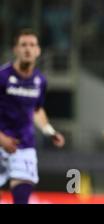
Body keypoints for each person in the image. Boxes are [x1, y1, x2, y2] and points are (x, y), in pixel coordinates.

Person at [0, 29, 65, 204]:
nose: (28, 49)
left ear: (38, 51)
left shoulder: (40, 81)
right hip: (0, 141)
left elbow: (36, 110)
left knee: (21, 199)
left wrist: (49, 131)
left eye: (32, 45)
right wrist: (2, 139)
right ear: (15, 50)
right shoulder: (2, 77)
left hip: (24, 146)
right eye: (23, 45)